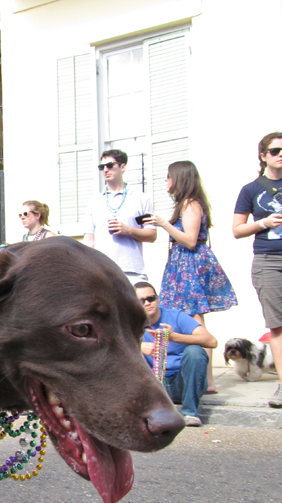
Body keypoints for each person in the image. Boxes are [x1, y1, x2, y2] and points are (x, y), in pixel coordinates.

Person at [234, 132, 282, 416]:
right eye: (276, 150)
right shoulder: (251, 189)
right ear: (263, 155)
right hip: (267, 259)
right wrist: (263, 223)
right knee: (278, 326)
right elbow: (237, 230)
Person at [145, 161, 237, 393]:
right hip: (181, 265)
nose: (166, 181)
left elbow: (190, 240)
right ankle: (200, 379)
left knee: (195, 322)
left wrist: (163, 223)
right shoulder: (186, 203)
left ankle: (207, 381)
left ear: (180, 178)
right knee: (187, 318)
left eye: (168, 177)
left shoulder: (191, 203)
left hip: (189, 266)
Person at [136, 282, 217, 427]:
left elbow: (211, 341)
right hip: (154, 384)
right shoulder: (130, 322)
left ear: (158, 299)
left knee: (195, 351)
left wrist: (175, 337)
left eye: (151, 298)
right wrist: (139, 346)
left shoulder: (176, 316)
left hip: (183, 382)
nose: (147, 303)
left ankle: (190, 412)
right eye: (141, 301)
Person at [84, 149, 157, 283]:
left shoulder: (141, 198)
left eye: (110, 165)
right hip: (102, 270)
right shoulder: (94, 202)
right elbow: (89, 239)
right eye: (102, 167)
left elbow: (152, 235)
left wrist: (128, 230)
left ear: (122, 166)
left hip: (132, 270)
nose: (105, 170)